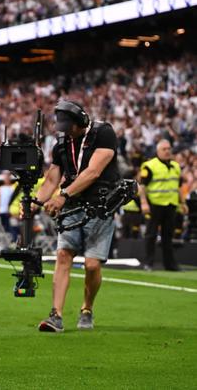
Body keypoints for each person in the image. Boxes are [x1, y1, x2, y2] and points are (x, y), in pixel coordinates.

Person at [34, 99, 120, 332]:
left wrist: (62, 195)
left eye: (69, 127)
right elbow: (52, 178)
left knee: (92, 265)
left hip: (99, 205)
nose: (66, 132)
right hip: (72, 207)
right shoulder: (62, 143)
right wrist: (36, 202)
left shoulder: (103, 133)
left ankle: (87, 308)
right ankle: (56, 315)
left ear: (80, 121)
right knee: (63, 256)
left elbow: (93, 172)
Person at [139, 140, 188, 271]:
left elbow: (178, 187)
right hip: (154, 204)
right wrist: (143, 202)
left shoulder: (176, 166)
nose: (167, 151)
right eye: (164, 149)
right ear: (158, 151)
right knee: (151, 234)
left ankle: (170, 264)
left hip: (171, 205)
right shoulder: (149, 166)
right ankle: (148, 263)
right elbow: (142, 186)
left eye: (169, 148)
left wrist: (183, 203)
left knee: (168, 235)